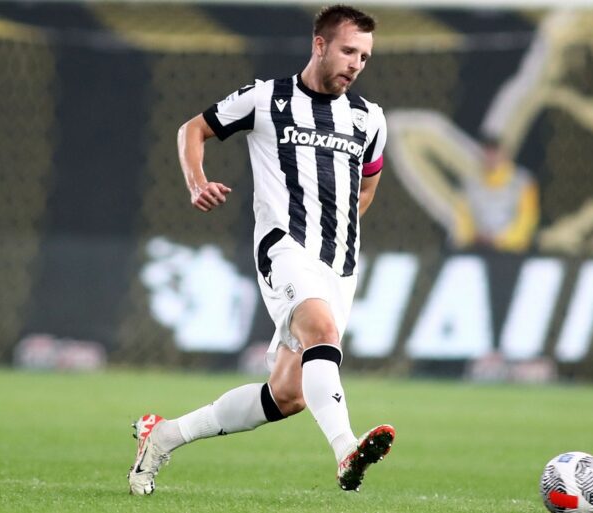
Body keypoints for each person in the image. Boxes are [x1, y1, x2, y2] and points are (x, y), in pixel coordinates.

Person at [127, 4, 394, 495]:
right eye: (348, 51)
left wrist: (336, 225)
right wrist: (197, 182)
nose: (356, 64)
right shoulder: (266, 98)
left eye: (364, 56)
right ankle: (346, 451)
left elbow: (367, 187)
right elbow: (193, 129)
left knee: (288, 395)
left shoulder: (369, 118)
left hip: (339, 264)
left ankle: (163, 436)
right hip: (284, 248)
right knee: (322, 333)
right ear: (320, 45)